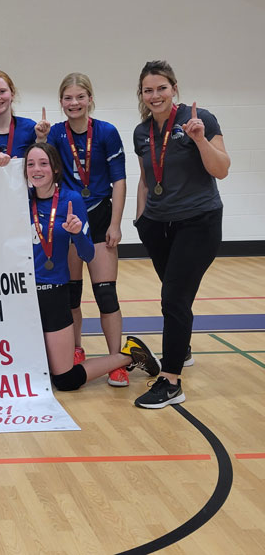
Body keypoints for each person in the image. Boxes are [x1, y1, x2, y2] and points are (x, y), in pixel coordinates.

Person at [131, 60, 230, 408]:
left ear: (174, 88)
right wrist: (140, 220)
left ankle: (171, 380)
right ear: (141, 94)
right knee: (176, 296)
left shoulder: (199, 120)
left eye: (162, 88)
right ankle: (181, 345)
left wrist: (200, 139)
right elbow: (146, 179)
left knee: (173, 299)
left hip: (198, 223)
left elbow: (222, 169)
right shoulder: (141, 132)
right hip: (157, 226)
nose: (155, 95)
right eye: (148, 90)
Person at [23, 143, 160, 392]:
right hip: (24, 296)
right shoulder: (20, 200)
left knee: (65, 380)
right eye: (30, 164)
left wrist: (77, 234)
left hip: (54, 294)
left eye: (43, 163)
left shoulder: (71, 200)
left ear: (55, 168)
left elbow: (87, 254)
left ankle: (130, 354)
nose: (36, 169)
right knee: (29, 373)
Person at [38, 73, 128, 386]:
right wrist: (40, 139)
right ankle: (76, 350)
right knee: (71, 297)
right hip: (71, 219)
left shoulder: (106, 132)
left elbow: (119, 180)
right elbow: (42, 172)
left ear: (90, 98)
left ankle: (117, 358)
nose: (74, 103)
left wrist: (115, 223)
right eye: (67, 98)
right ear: (61, 102)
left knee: (106, 294)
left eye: (80, 97)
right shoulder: (56, 135)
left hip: (101, 218)